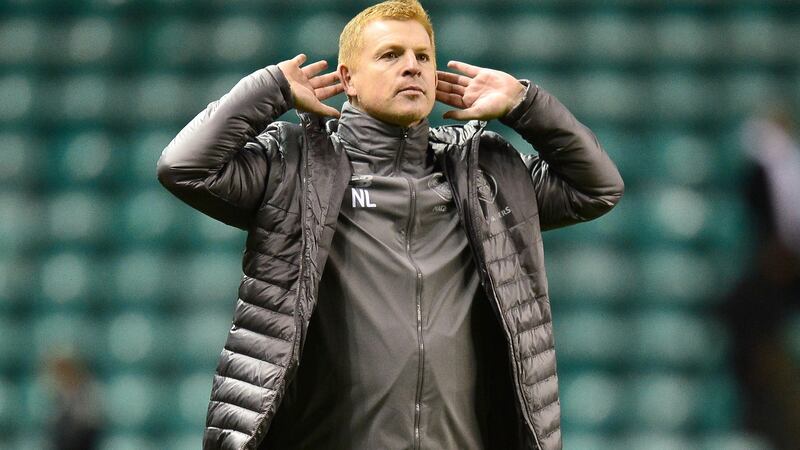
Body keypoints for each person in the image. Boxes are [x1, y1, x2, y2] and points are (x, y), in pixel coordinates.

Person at [156, 1, 624, 449]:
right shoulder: (298, 164)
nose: (412, 66)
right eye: (390, 55)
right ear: (347, 79)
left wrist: (526, 104)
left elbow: (596, 189)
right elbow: (186, 168)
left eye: (423, 56)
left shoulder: (484, 171)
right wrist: (270, 89)